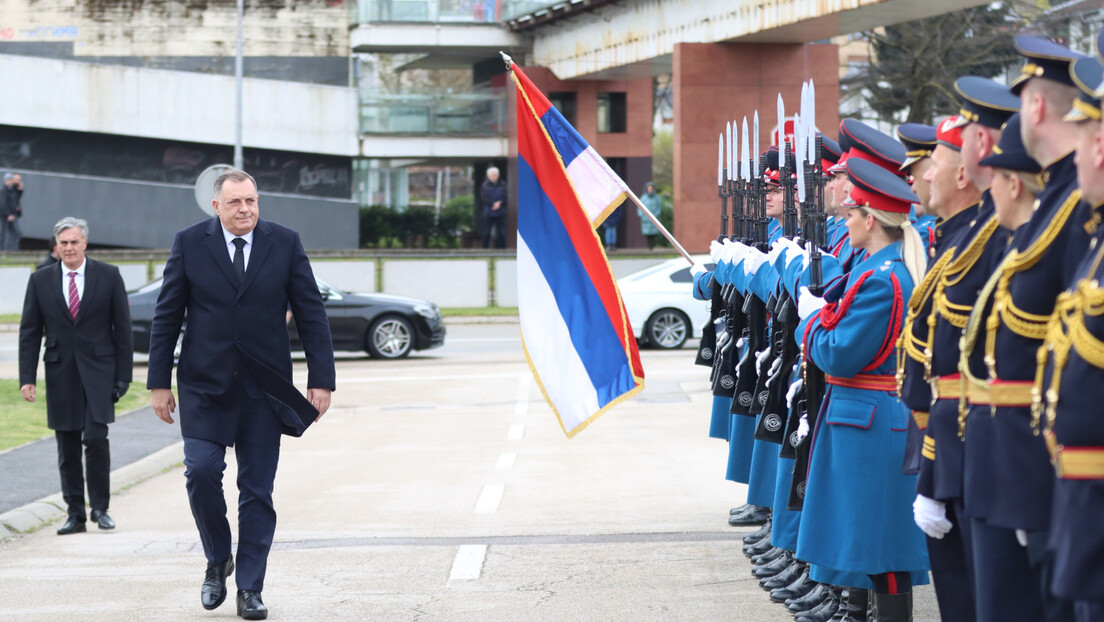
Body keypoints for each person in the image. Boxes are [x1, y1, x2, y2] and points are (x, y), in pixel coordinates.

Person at [147, 169, 336, 620]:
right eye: (235, 202)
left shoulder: (284, 243)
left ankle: (250, 588)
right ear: (217, 206)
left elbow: (311, 313)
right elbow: (167, 315)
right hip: (203, 385)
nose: (245, 209)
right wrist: (158, 382)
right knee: (201, 472)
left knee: (256, 492)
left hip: (262, 392)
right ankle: (218, 558)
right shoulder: (190, 243)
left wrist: (321, 379)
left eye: (251, 200)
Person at [793, 157, 930, 622]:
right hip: (864, 420)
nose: (845, 221)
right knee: (873, 551)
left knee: (883, 554)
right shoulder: (880, 270)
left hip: (870, 424)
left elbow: (837, 353)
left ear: (870, 219)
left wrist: (806, 322)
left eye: (851, 214)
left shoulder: (882, 279)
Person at [18, 217, 133, 535]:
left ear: (85, 243)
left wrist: (123, 377)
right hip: (60, 373)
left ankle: (100, 508)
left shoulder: (108, 276)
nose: (68, 247)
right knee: (67, 446)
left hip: (100, 373)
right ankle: (76, 514)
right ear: (56, 246)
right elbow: (29, 332)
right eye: (63, 242)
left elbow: (122, 330)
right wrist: (28, 377)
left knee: (96, 439)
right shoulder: (40, 280)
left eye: (74, 241)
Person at [480, 166, 507, 249]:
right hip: (489, 211)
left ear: (498, 175)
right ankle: (484, 249)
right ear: (488, 176)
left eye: (495, 175)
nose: (493, 177)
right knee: (487, 231)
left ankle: (502, 249)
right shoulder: (485, 185)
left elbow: (507, 196)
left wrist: (500, 204)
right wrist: (493, 204)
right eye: (491, 175)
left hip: (500, 212)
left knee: (501, 231)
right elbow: (483, 198)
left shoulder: (503, 184)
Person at [638, 181, 662, 248]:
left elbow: (659, 207)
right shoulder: (643, 198)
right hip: (646, 220)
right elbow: (639, 207)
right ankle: (649, 247)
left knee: (654, 234)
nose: (650, 190)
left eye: (651, 189)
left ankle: (653, 246)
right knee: (648, 234)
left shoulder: (657, 198)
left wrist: (656, 214)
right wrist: (641, 215)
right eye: (649, 189)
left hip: (654, 219)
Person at [2, 173, 22, 251]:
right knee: (7, 234)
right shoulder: (3, 190)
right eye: (8, 180)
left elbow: (17, 198)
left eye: (11, 180)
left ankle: (13, 250)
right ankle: (7, 251)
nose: (10, 182)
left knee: (16, 233)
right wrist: (8, 214)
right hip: (7, 216)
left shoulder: (12, 190)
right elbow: (2, 204)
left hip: (14, 215)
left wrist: (20, 190)